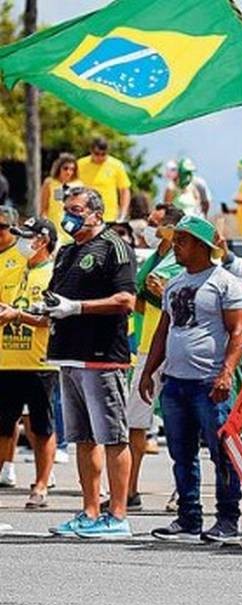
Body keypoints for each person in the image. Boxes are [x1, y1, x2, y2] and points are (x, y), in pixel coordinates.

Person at [140, 216, 242, 543]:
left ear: (204, 247)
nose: (176, 246)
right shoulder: (173, 284)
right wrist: (149, 371)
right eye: (176, 241)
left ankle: (228, 518)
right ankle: (188, 517)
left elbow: (238, 332)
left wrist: (226, 373)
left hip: (209, 382)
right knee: (181, 453)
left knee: (222, 452)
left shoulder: (226, 283)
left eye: (182, 241)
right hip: (176, 381)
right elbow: (164, 329)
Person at [41, 187, 136, 538]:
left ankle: (118, 515)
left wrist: (77, 308)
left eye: (78, 209)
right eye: (67, 209)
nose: (71, 216)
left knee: (112, 436)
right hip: (68, 353)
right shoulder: (66, 252)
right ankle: (90, 510)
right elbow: (58, 296)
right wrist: (46, 308)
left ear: (97, 213)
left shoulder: (113, 246)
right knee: (83, 437)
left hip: (101, 355)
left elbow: (126, 299)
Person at [122, 204, 184, 512]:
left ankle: (182, 490)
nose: (148, 227)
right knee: (135, 420)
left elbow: (174, 299)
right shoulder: (153, 258)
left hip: (173, 347)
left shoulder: (181, 260)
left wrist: (157, 292)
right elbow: (142, 299)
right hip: (147, 345)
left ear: (170, 229)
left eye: (154, 223)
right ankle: (129, 488)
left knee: (177, 422)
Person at [0, 218, 59, 509]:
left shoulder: (54, 274)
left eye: (28, 237)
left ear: (43, 240)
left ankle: (41, 483)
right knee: (3, 424)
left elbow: (51, 318)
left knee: (41, 426)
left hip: (40, 361)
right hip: (7, 359)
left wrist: (17, 316)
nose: (21, 242)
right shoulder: (10, 267)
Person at [0, 206, 26, 488]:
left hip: (20, 349)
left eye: (2, 228)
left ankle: (10, 465)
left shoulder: (21, 258)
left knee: (24, 416)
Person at [77, 137, 131, 223]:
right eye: (97, 154)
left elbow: (124, 190)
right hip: (84, 216)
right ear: (91, 151)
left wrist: (122, 214)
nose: (100, 157)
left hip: (109, 217)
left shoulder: (116, 165)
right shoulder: (80, 164)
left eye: (103, 154)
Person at [38, 154, 82, 243]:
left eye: (72, 169)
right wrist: (45, 228)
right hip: (53, 229)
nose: (69, 172)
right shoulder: (49, 183)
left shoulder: (79, 185)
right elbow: (44, 209)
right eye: (65, 168)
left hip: (71, 230)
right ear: (59, 168)